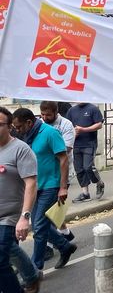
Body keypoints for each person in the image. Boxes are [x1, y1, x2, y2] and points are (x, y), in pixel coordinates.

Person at [12, 108, 77, 270]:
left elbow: (63, 160)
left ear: (29, 122)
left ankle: (35, 267)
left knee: (39, 227)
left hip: (51, 185)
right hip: (34, 186)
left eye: (19, 127)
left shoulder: (50, 133)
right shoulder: (26, 136)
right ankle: (64, 246)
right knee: (40, 225)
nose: (17, 130)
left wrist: (63, 187)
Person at [0, 107, 40, 292]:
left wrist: (25, 217)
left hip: (8, 217)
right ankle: (31, 275)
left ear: (9, 127)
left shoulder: (20, 149)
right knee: (7, 254)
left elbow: (31, 183)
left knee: (0, 260)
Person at [39, 101, 76, 258]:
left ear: (56, 112)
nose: (45, 118)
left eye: (48, 115)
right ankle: (65, 232)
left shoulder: (66, 125)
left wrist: (45, 148)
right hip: (44, 174)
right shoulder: (40, 124)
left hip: (62, 172)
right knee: (54, 208)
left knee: (49, 210)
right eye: (42, 114)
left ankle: (48, 244)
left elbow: (65, 149)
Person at [66, 102, 105, 203]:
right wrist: (73, 134)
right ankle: (85, 193)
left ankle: (99, 183)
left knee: (88, 167)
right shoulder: (71, 110)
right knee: (79, 169)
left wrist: (84, 129)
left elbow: (99, 124)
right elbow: (68, 127)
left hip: (89, 143)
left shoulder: (93, 108)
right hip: (76, 144)